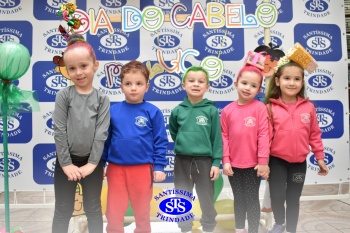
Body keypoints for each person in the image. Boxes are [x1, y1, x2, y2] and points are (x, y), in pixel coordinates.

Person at [52, 34, 110, 233]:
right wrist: (66, 164)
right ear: (66, 70)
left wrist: (92, 164)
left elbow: (101, 133)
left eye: (83, 66)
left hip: (91, 164)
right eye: (72, 68)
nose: (78, 72)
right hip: (65, 163)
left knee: (93, 208)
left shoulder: (102, 99)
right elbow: (59, 129)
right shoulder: (64, 95)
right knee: (62, 209)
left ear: (95, 65)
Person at [102, 60, 168, 233]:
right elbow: (105, 140)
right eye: (128, 84)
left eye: (138, 84)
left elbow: (160, 141)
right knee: (114, 211)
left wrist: (159, 166)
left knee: (142, 211)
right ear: (121, 86)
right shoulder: (113, 111)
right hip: (116, 169)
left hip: (142, 169)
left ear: (147, 87)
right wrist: (101, 163)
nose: (133, 88)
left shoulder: (153, 112)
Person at [265, 58, 329, 233]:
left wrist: (320, 158)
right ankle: (279, 224)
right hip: (276, 161)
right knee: (277, 196)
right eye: (287, 78)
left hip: (299, 163)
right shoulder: (270, 107)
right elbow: (265, 138)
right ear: (277, 81)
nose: (291, 83)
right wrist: (262, 162)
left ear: (302, 82)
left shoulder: (308, 108)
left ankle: (292, 229)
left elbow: (314, 134)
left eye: (296, 79)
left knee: (293, 199)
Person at [169, 66, 223, 233]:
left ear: (207, 87)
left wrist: (216, 162)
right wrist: (184, 142)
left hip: (204, 162)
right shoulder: (178, 110)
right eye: (191, 81)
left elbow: (216, 139)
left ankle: (208, 227)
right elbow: (174, 131)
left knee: (206, 197)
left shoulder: (211, 111)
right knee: (182, 195)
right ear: (183, 85)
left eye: (201, 81)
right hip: (182, 161)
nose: (196, 84)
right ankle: (185, 228)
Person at [220, 64, 270, 233]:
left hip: (253, 165)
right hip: (233, 165)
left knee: (252, 199)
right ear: (236, 84)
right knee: (239, 199)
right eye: (244, 83)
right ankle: (239, 229)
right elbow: (224, 137)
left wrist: (263, 161)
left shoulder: (260, 108)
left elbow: (264, 135)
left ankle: (253, 230)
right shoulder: (227, 111)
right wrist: (225, 160)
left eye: (253, 85)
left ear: (259, 90)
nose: (248, 88)